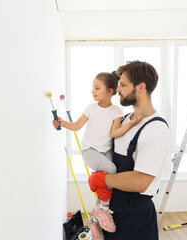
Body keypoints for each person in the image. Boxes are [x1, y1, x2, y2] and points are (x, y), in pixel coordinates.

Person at [53, 72, 143, 240]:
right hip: (90, 150)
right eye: (92, 88)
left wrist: (131, 123)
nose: (92, 91)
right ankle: (103, 210)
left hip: (106, 150)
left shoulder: (116, 111)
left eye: (97, 88)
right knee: (111, 169)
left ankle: (94, 221)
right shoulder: (91, 108)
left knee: (105, 180)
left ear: (110, 91)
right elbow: (77, 126)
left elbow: (115, 133)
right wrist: (62, 122)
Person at [88, 60, 171, 240]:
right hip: (113, 210)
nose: (118, 90)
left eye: (123, 85)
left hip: (135, 217)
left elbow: (140, 181)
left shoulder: (155, 129)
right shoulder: (124, 121)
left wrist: (101, 179)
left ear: (141, 87)